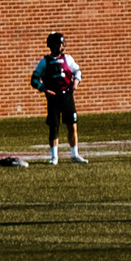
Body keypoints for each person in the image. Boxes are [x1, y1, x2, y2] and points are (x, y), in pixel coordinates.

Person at [30, 30, 86, 165]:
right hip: (53, 98)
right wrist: (43, 89)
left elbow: (77, 71)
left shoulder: (68, 59)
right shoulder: (45, 62)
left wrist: (75, 82)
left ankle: (75, 154)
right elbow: (34, 79)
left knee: (72, 125)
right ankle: (54, 156)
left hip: (67, 96)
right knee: (54, 126)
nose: (62, 46)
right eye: (60, 44)